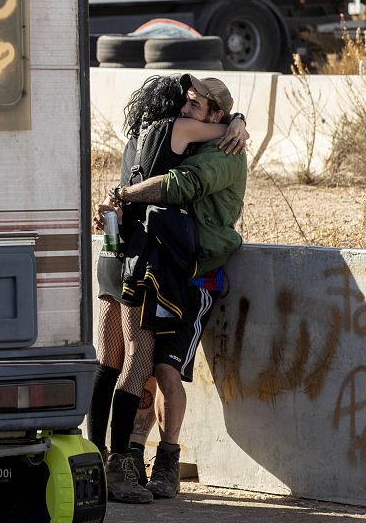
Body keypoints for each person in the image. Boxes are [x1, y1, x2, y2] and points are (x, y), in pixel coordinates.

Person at [88, 74, 248, 503]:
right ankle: (120, 464)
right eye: (183, 103)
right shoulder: (177, 130)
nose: (185, 111)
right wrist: (234, 123)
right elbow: (177, 185)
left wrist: (118, 198)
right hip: (143, 262)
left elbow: (182, 184)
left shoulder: (138, 136)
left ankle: (100, 456)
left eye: (193, 105)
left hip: (119, 254)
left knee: (115, 361)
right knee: (137, 362)